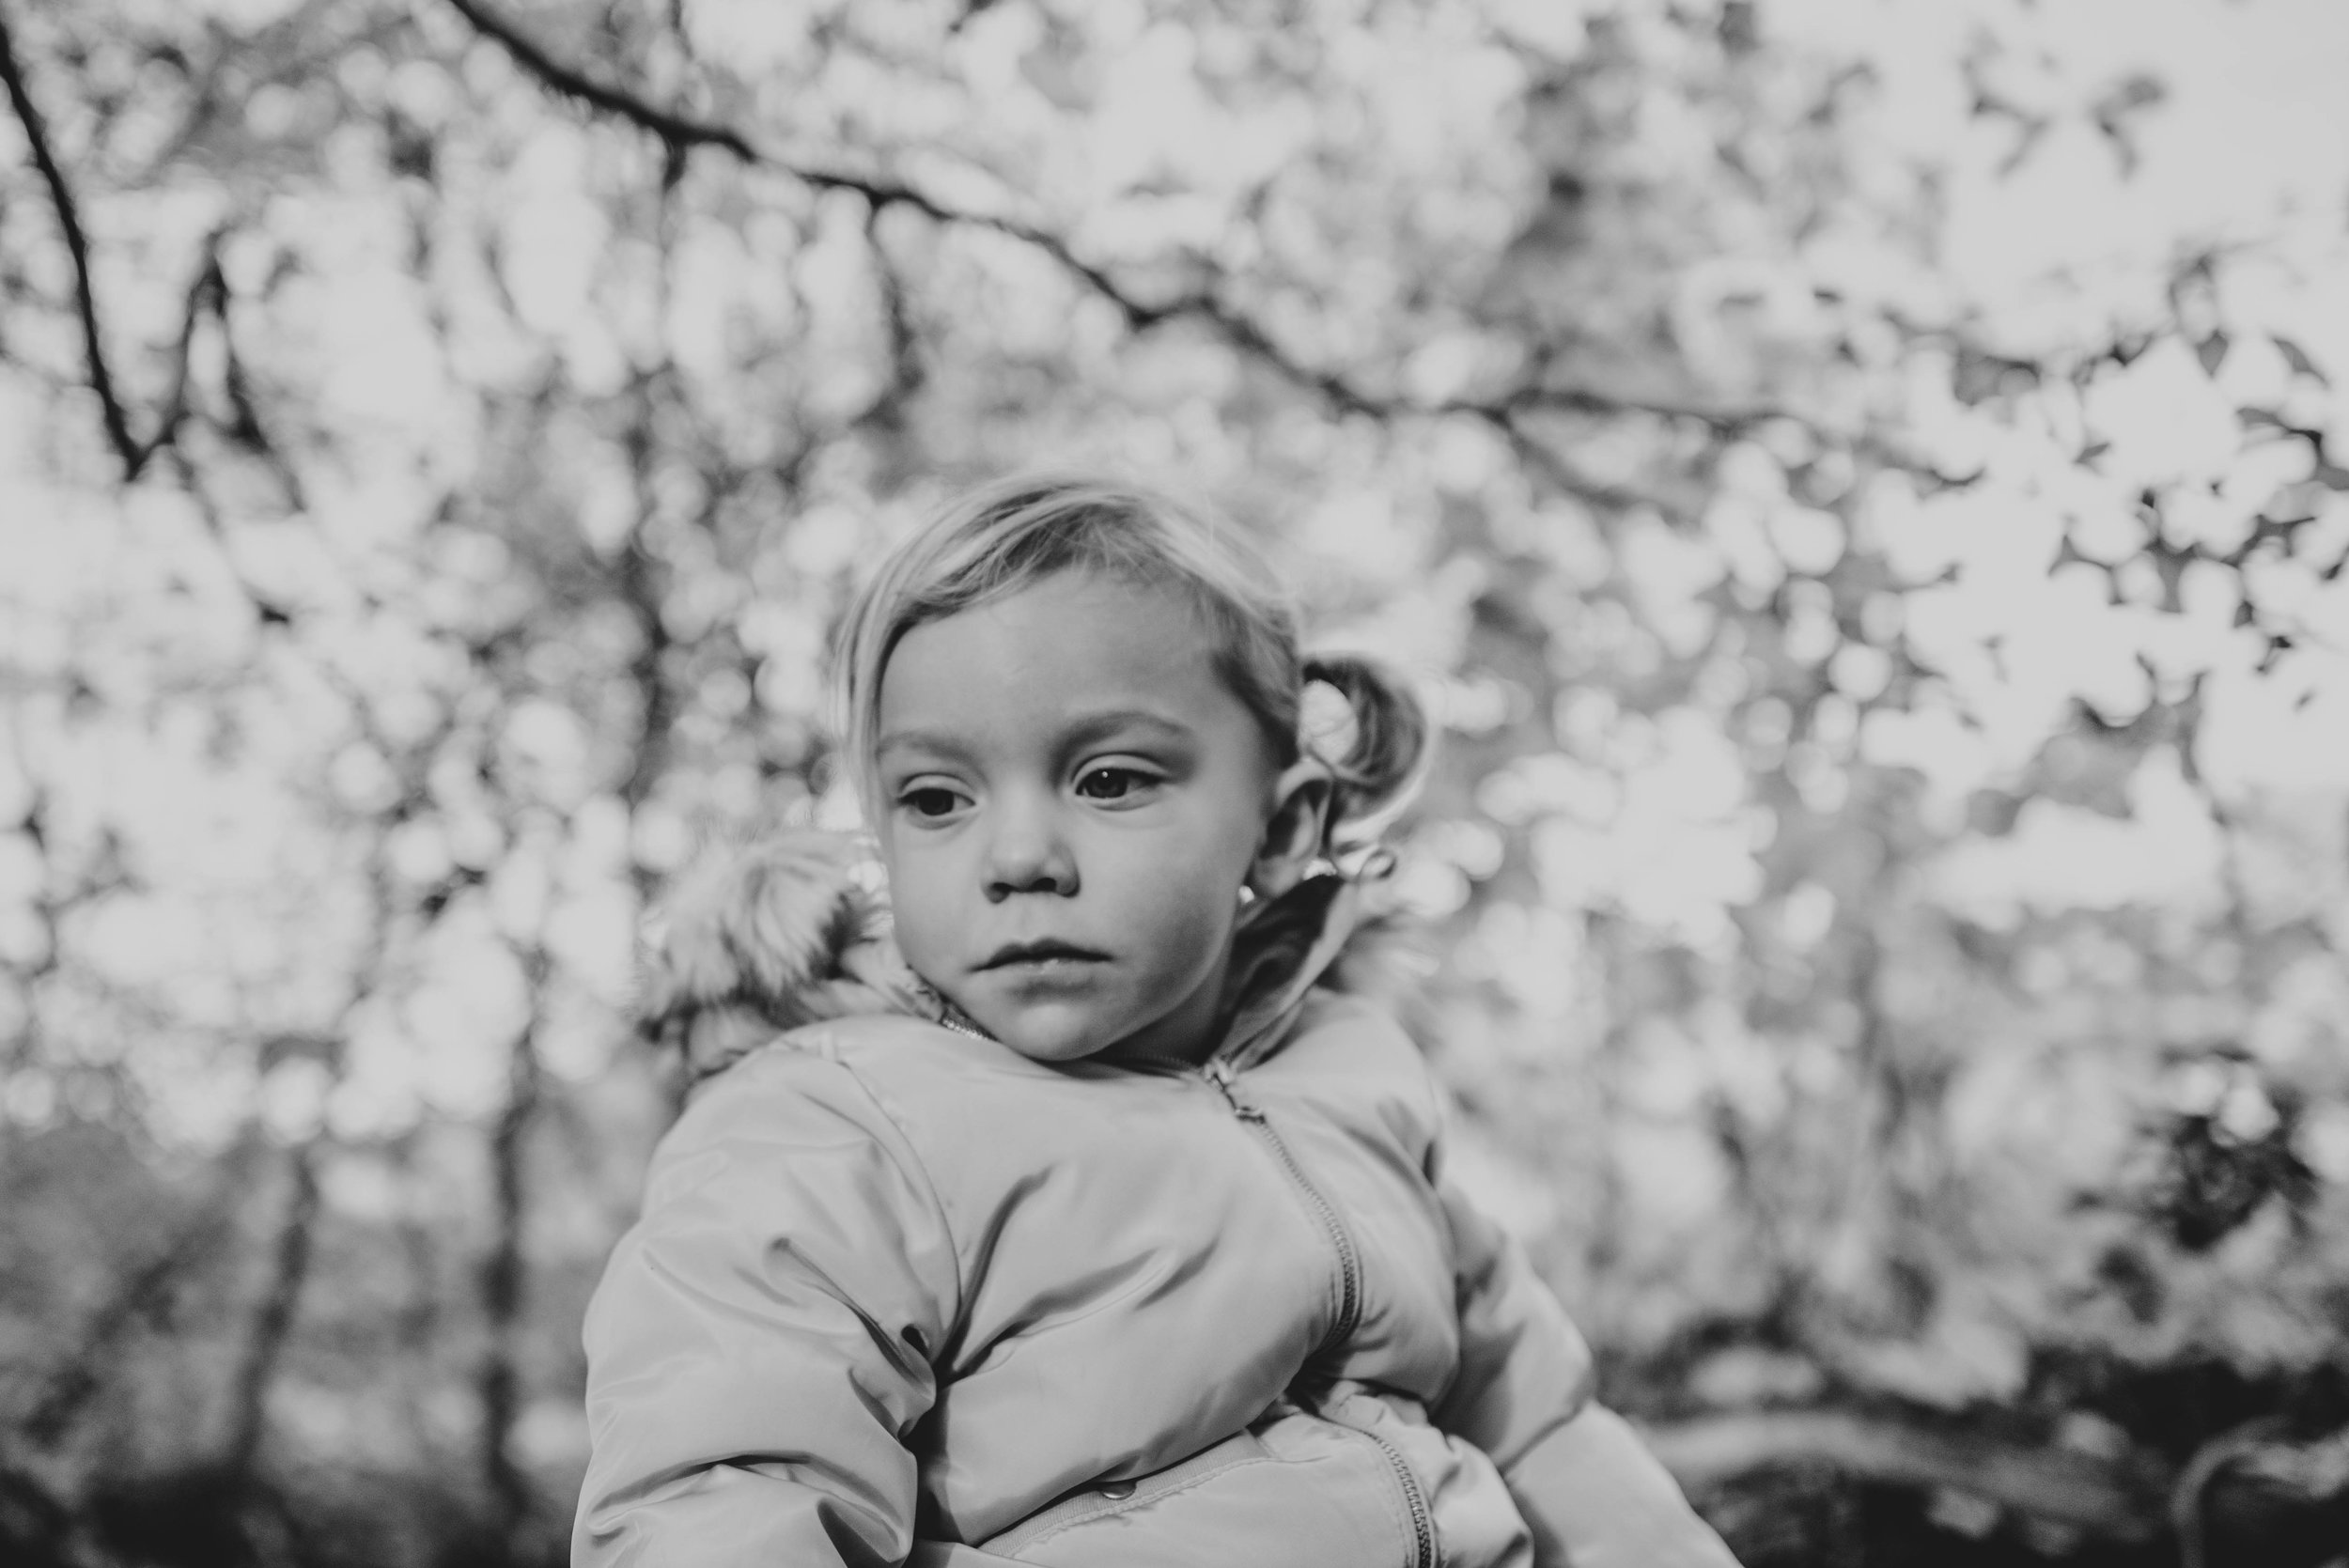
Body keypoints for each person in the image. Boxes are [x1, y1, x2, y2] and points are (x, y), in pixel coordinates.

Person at [573, 474, 1742, 1567]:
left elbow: (1537, 1419)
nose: (1018, 855)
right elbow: (716, 1493)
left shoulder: (1353, 1074)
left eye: (1110, 779)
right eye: (937, 799)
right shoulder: (833, 1127)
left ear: (1282, 831)